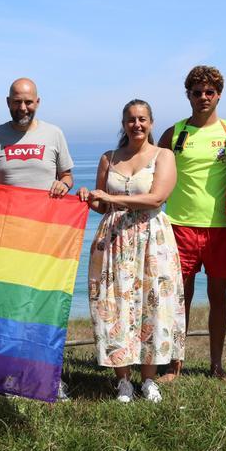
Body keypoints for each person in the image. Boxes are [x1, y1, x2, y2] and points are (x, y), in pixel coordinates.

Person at [78, 99, 186, 403]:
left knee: (152, 303)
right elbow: (102, 206)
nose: (136, 125)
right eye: (130, 120)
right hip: (114, 239)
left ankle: (148, 379)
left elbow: (157, 198)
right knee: (115, 303)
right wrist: (90, 197)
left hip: (152, 237)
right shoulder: (108, 157)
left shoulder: (163, 156)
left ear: (151, 123)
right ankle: (123, 380)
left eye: (142, 119)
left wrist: (111, 198)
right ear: (123, 124)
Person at [0, 77, 75, 401]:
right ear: (8, 102)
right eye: (17, 101)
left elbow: (67, 176)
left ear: (38, 102)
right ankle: (10, 376)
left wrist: (64, 185)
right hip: (5, 241)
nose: (23, 107)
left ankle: (48, 378)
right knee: (9, 310)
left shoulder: (54, 134)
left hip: (46, 238)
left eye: (28, 102)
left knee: (43, 309)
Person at [158, 66, 226, 381]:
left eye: (209, 92)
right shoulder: (175, 133)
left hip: (221, 229)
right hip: (179, 226)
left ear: (219, 94)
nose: (203, 98)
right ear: (188, 95)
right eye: (197, 92)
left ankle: (216, 365)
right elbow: (151, 174)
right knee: (180, 300)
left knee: (219, 299)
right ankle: (174, 364)